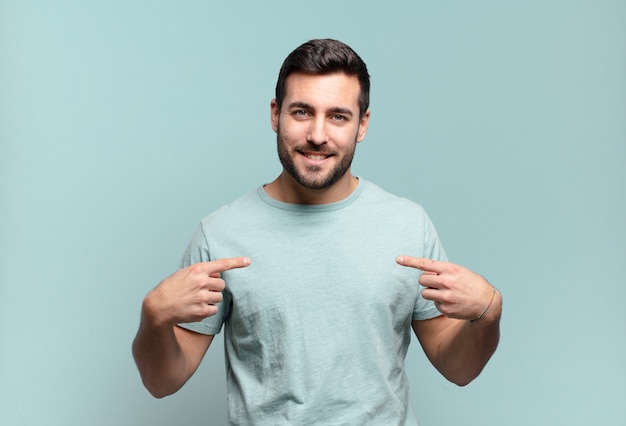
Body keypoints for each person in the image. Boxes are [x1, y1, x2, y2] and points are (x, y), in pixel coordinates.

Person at [132, 38, 502, 425]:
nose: (318, 135)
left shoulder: (408, 224)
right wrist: (153, 318)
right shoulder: (221, 234)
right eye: (302, 112)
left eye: (338, 116)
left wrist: (488, 313)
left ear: (363, 124)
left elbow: (458, 368)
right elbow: (162, 382)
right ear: (275, 115)